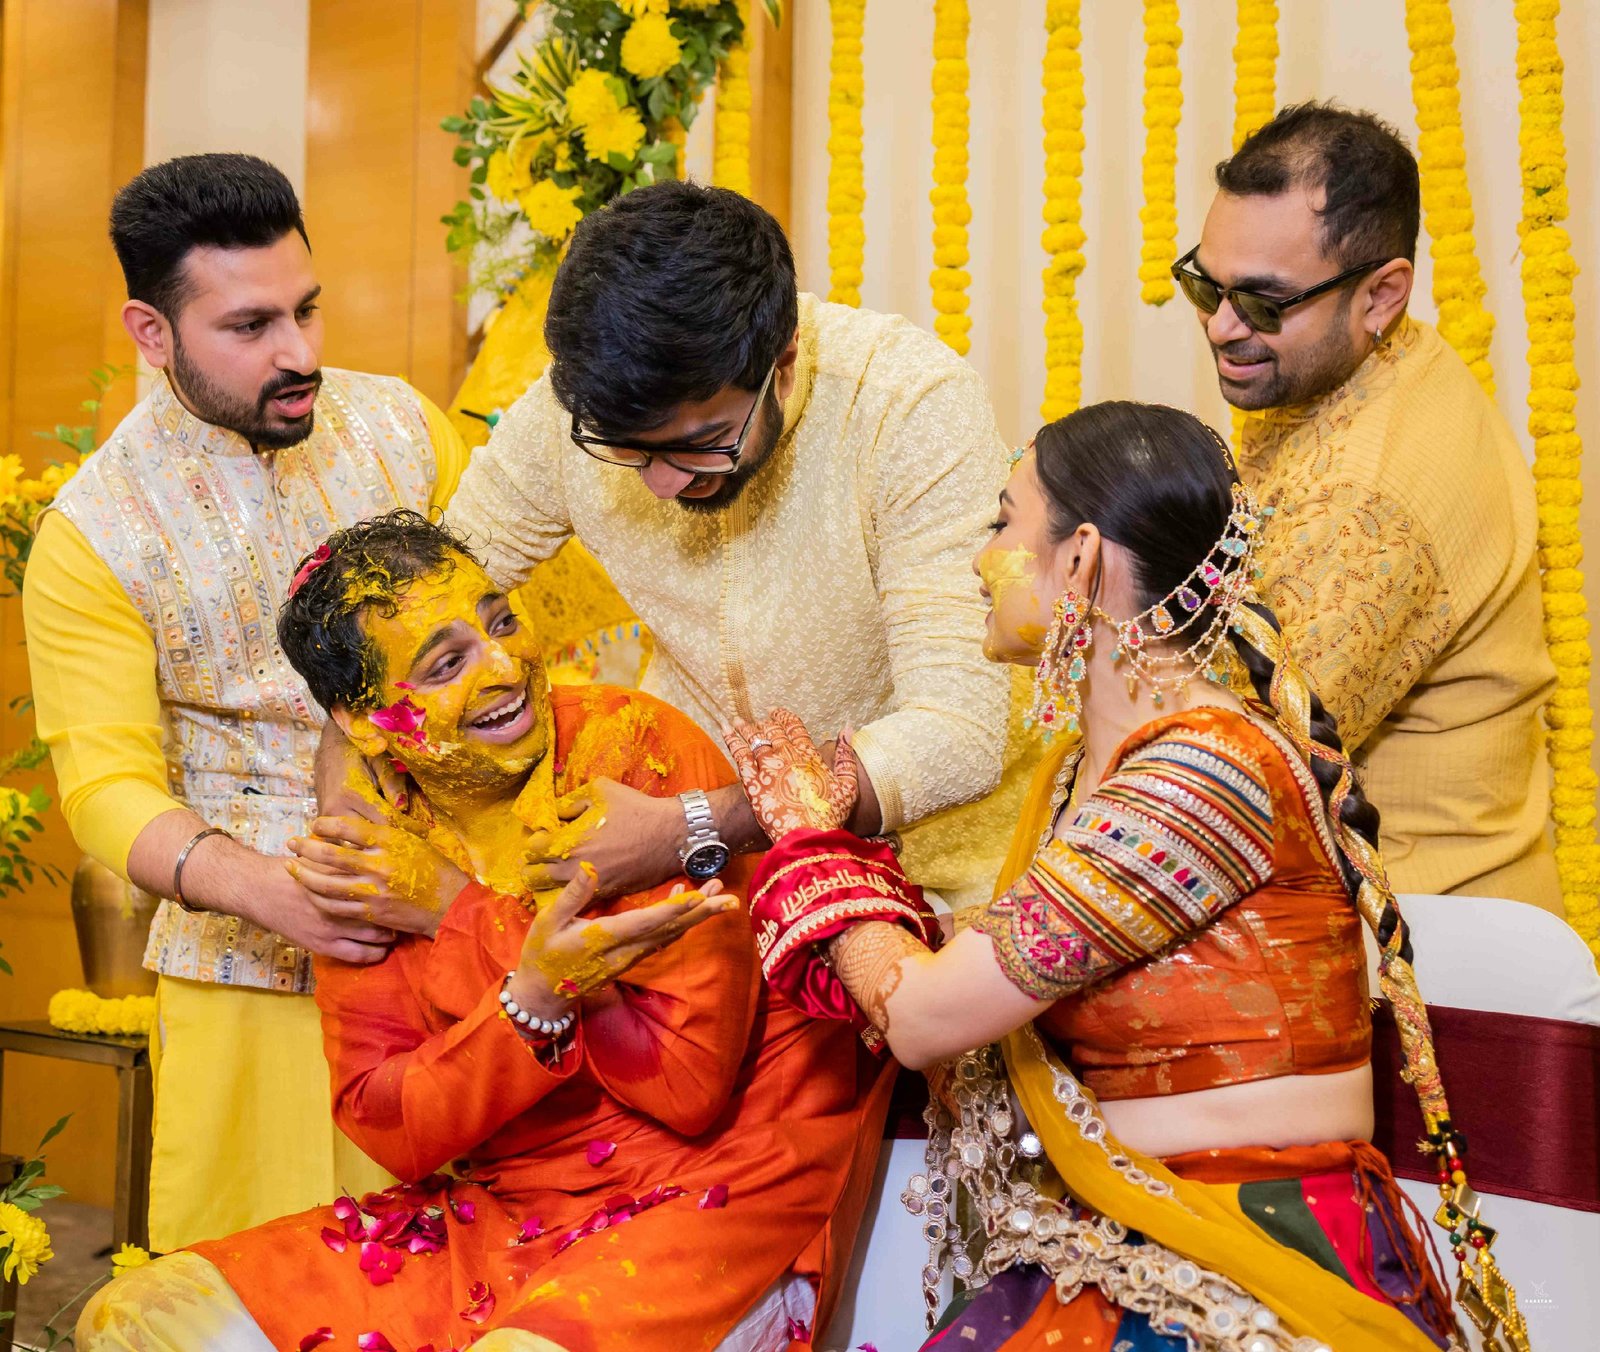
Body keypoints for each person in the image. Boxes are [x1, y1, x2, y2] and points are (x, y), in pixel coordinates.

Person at [723, 403, 1530, 1351]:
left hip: (1250, 1241)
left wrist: (814, 843)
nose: (976, 559)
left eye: (1000, 522)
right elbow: (973, 972)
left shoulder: (1204, 775)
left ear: (1079, 559)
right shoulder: (1081, 777)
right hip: (1130, 1238)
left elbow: (930, 1014)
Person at [78, 511, 891, 1352]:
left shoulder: (635, 753)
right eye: (446, 664)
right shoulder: (374, 841)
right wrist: (529, 991)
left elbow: (687, 1087)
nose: (504, 667)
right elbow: (390, 1122)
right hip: (498, 1211)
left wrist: (454, 910)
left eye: (501, 621)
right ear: (363, 724)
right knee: (134, 1320)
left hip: (713, 1184)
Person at [22, 153, 472, 1249]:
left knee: (475, 1281)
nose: (300, 353)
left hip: (460, 942)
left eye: (308, 309)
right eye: (251, 324)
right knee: (269, 1293)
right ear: (150, 330)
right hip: (249, 980)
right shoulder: (96, 531)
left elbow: (503, 627)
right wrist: (268, 891)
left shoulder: (403, 427)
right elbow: (107, 788)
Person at [423, 177, 1019, 912]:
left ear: (786, 355)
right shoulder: (578, 410)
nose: (664, 487)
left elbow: (956, 735)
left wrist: (690, 825)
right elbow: (428, 588)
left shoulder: (906, 406)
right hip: (711, 890)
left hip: (937, 884)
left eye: (703, 444)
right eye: (630, 454)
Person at [1172, 101, 1558, 909]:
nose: (1221, 325)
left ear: (1381, 295)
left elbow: (1218, 771)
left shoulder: (1366, 502)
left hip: (1427, 953)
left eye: (1266, 302)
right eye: (1205, 284)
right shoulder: (1376, 367)